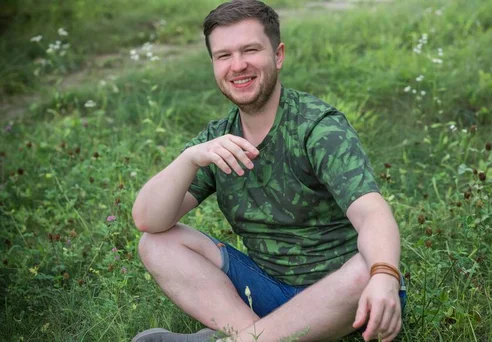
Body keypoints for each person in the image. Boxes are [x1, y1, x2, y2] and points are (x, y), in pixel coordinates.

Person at [131, 1, 406, 341]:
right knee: (157, 243)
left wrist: (383, 276)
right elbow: (148, 220)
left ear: (278, 55)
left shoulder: (317, 127)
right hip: (266, 291)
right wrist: (189, 158)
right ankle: (258, 336)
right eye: (224, 56)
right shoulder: (219, 139)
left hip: (344, 297)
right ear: (214, 65)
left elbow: (372, 213)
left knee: (365, 270)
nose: (238, 65)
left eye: (250, 50)